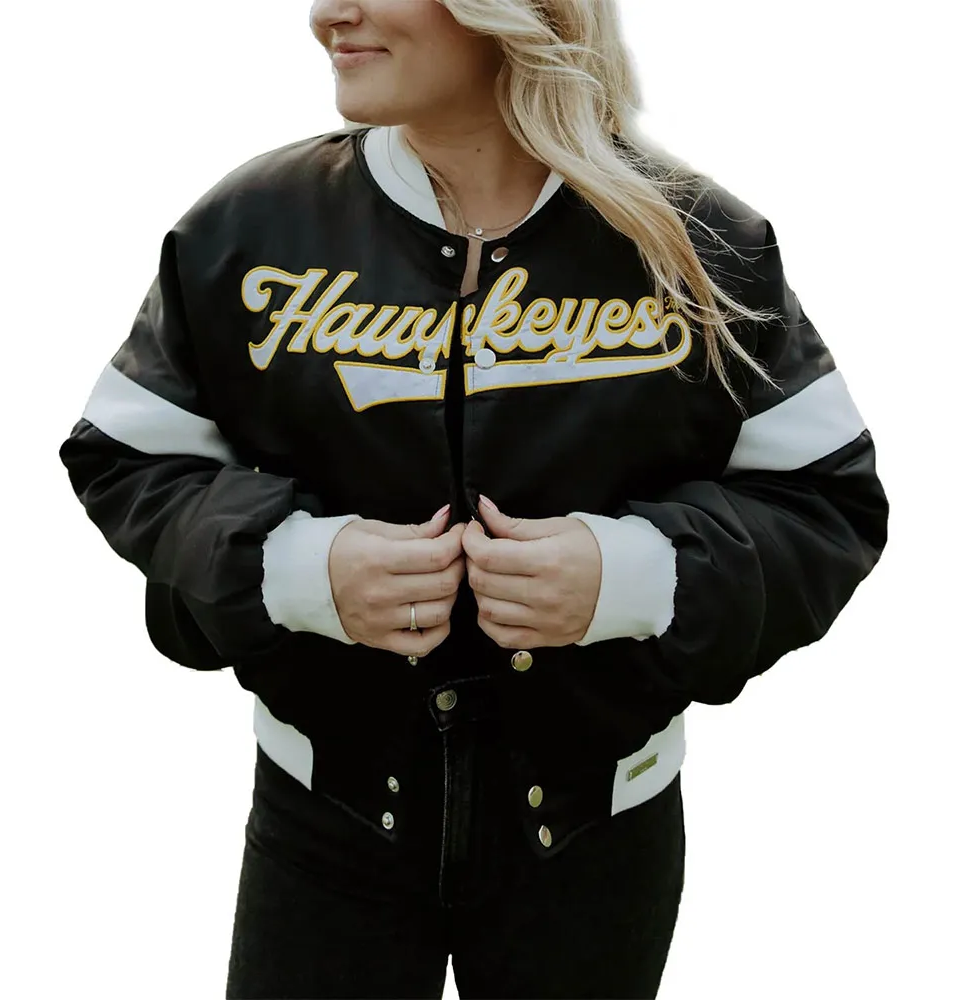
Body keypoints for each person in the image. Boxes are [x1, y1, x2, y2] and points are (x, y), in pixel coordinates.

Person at [57, 0, 889, 997]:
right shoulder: (249, 230)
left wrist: (635, 575)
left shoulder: (696, 244)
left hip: (597, 834)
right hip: (326, 820)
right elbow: (125, 458)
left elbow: (828, 502)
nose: (327, 14)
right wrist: (291, 565)